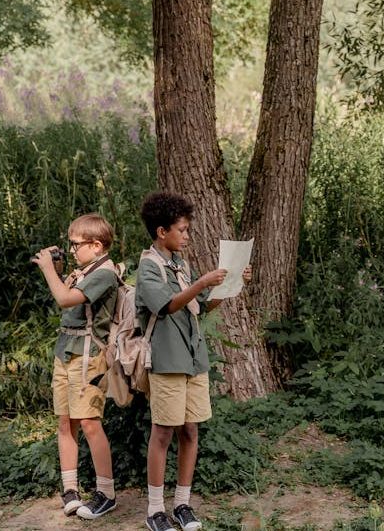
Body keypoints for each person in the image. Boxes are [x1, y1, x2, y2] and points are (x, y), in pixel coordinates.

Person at [136, 192, 252, 531]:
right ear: (161, 231)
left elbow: (198, 305)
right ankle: (155, 510)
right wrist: (202, 282)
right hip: (168, 361)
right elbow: (167, 305)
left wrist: (232, 285)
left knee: (190, 430)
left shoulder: (181, 265)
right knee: (163, 433)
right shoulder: (148, 267)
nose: (187, 236)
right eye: (182, 230)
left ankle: (183, 504)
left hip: (193, 359)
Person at [32, 213, 119, 519]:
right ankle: (70, 489)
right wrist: (58, 271)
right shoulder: (85, 269)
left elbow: (66, 300)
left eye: (75, 244)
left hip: (89, 356)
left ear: (96, 245)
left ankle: (106, 493)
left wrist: (47, 271)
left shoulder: (104, 273)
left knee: (90, 422)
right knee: (65, 420)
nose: (70, 250)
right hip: (66, 351)